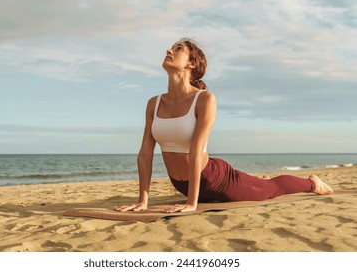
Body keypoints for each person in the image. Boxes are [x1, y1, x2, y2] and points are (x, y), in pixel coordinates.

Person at [115, 38, 333, 213]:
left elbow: (196, 150)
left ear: (191, 63)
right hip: (181, 184)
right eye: (171, 47)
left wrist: (192, 203)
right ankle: (254, 182)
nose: (169, 50)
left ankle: (313, 184)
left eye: (178, 48)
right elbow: (145, 154)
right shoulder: (154, 103)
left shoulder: (204, 99)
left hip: (214, 179)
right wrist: (143, 200)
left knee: (271, 189)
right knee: (257, 186)